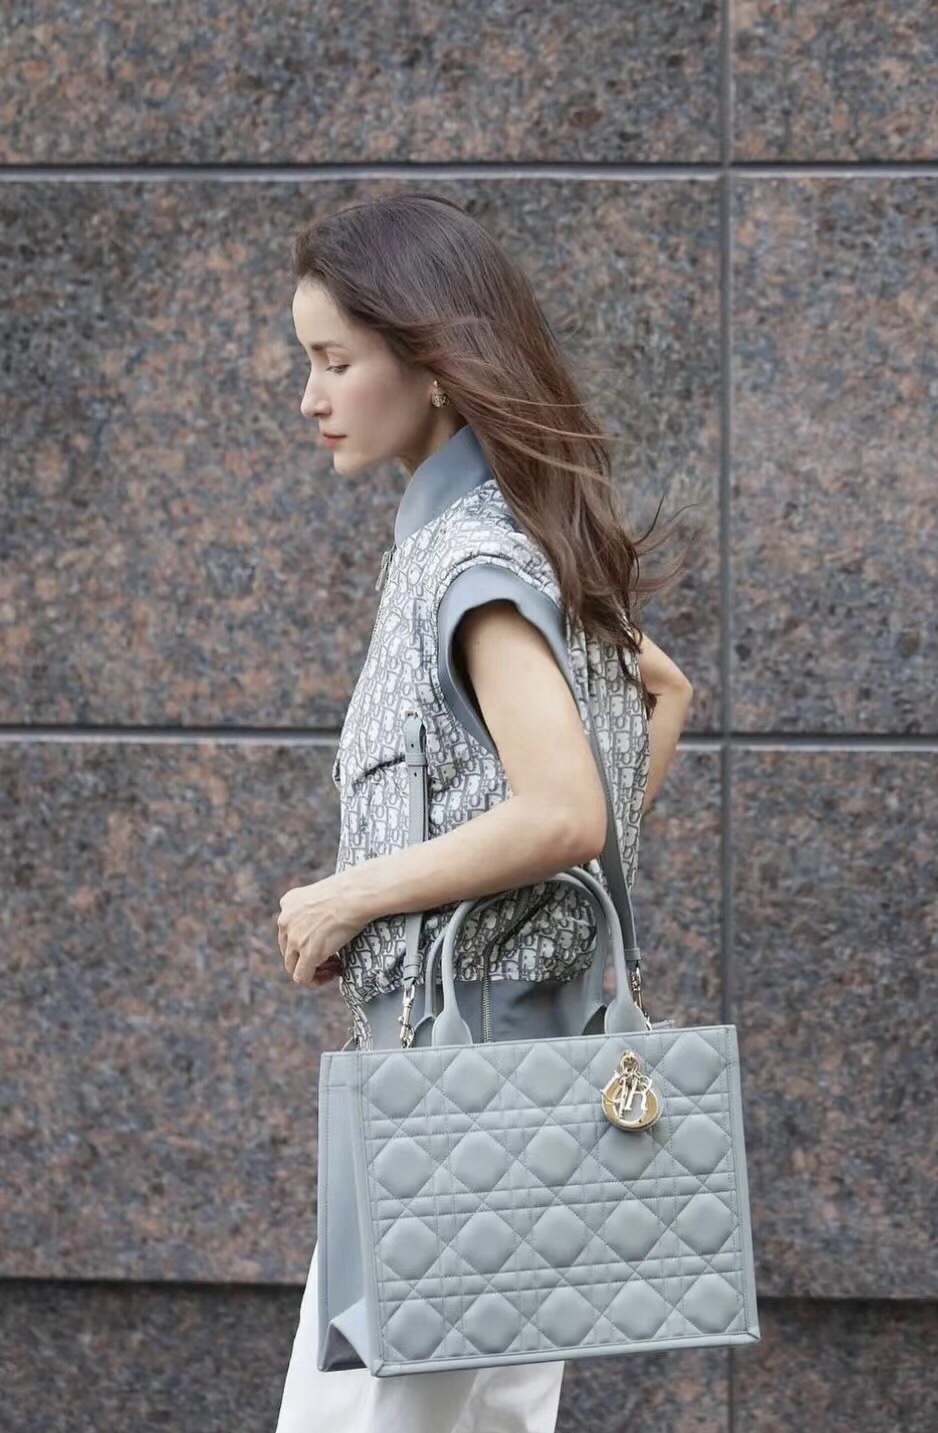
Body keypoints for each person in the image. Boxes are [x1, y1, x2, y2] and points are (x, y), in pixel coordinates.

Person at [274, 190, 696, 1433]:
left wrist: (352, 893)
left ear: (434, 366)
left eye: (334, 360)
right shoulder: (519, 538)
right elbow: (660, 695)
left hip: (453, 1104)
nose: (309, 396)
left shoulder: (470, 560)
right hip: (534, 1091)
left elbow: (564, 811)